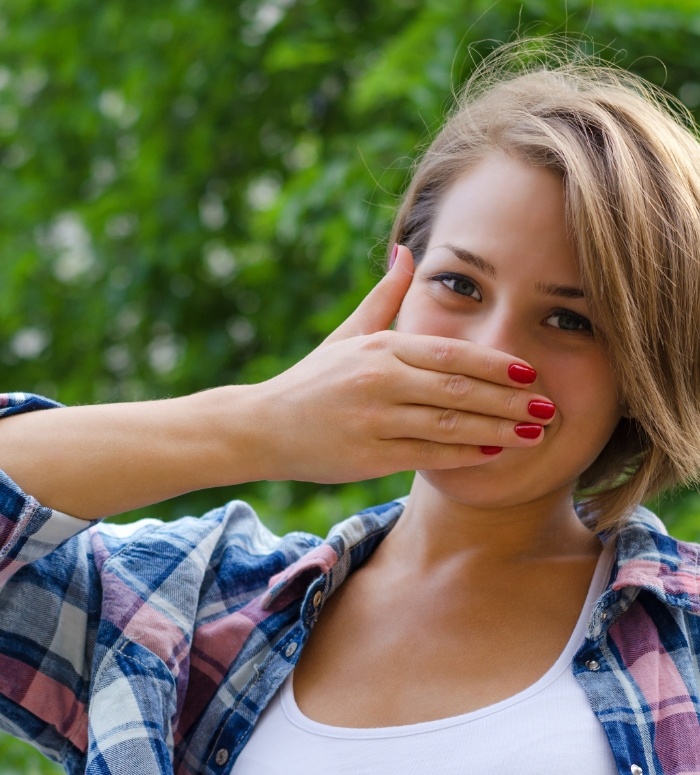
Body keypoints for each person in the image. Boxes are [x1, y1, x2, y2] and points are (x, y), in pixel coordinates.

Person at [1, 39, 700, 774]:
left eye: (571, 321)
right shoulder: (178, 614)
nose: (491, 357)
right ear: (397, 283)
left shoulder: (683, 630)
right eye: (460, 285)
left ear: (641, 371)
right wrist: (259, 425)